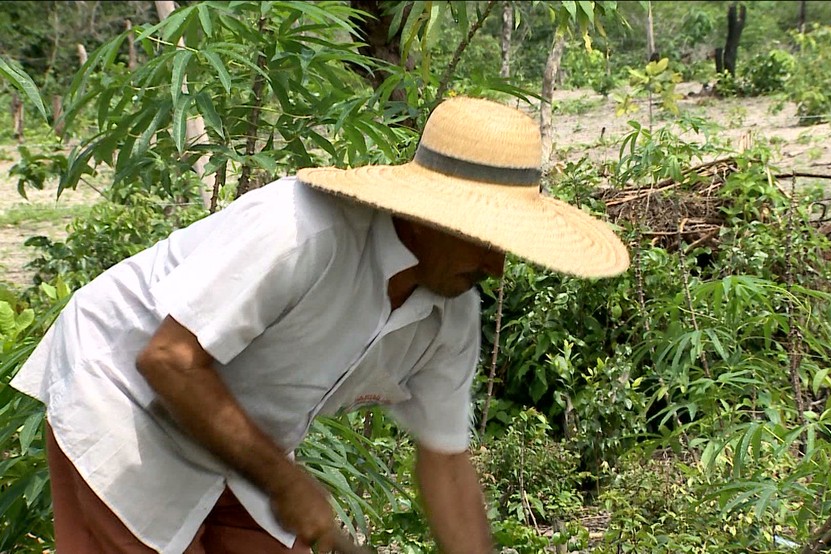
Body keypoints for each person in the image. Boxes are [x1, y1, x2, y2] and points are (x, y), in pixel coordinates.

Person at [11, 96, 629, 553]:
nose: (495, 264)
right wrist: (288, 481)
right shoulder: (302, 230)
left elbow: (446, 463)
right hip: (122, 392)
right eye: (485, 240)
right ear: (427, 215)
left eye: (507, 245)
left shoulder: (451, 311)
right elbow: (168, 359)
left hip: (240, 436)